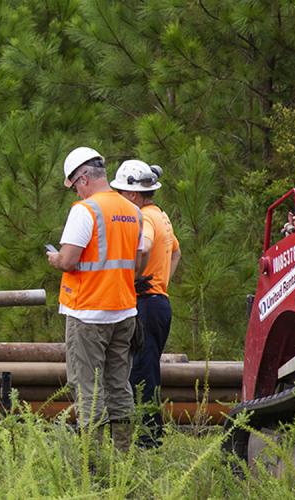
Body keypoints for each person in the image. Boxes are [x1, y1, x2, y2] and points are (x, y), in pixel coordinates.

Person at [46, 147, 143, 451]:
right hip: (124, 312)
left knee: (87, 387)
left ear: (84, 178)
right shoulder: (133, 211)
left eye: (74, 185)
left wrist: (55, 259)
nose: (76, 191)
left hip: (87, 313)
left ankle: (95, 464)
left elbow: (69, 259)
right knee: (118, 385)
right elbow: (137, 264)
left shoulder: (84, 211)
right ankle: (123, 457)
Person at [112, 160, 180, 448]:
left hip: (146, 304)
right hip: (158, 301)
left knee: (141, 373)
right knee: (148, 369)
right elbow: (176, 253)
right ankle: (151, 434)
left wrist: (134, 277)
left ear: (134, 195)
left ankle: (149, 438)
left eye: (121, 192)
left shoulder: (145, 218)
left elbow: (144, 246)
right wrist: (161, 282)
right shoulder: (161, 215)